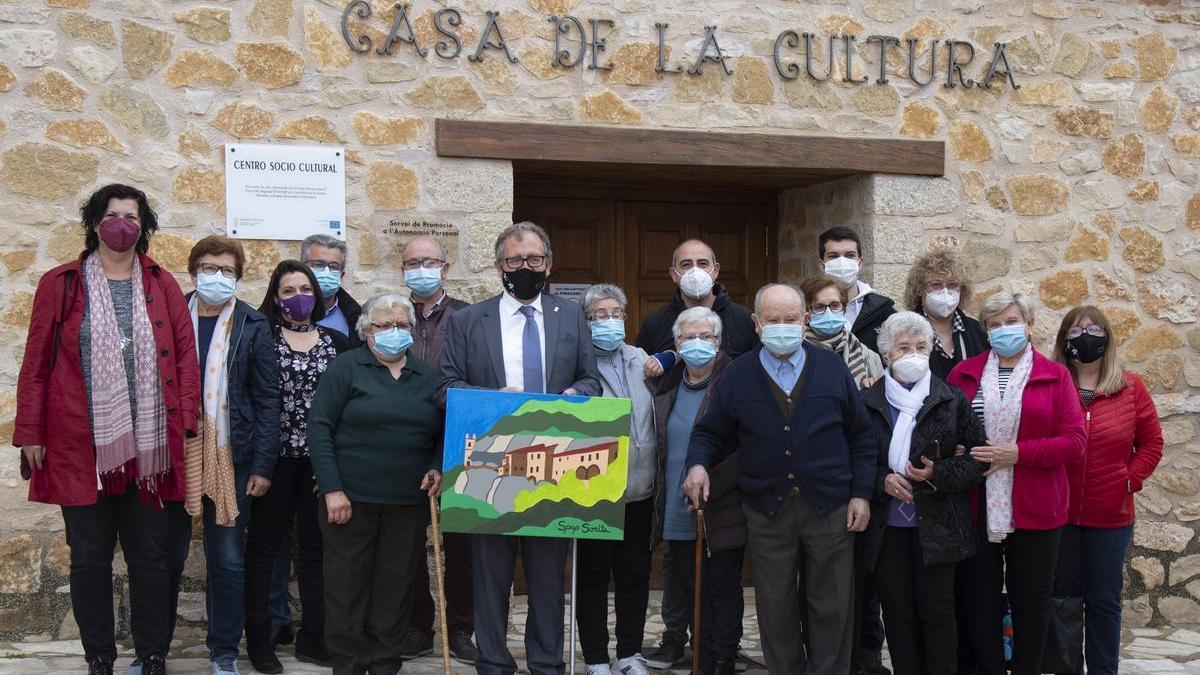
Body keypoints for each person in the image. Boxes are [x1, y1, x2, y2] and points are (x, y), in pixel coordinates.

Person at [15, 184, 199, 675]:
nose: (122, 224)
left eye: (132, 216)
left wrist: (187, 423)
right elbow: (35, 364)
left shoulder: (161, 284)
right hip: (80, 446)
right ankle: (99, 655)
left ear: (144, 226)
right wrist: (30, 430)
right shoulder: (61, 283)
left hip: (151, 451)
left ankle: (153, 653)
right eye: (112, 214)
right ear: (95, 223)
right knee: (89, 558)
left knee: (152, 559)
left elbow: (184, 360)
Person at [684, 283, 876, 675]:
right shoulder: (738, 374)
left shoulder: (832, 368)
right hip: (766, 508)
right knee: (776, 604)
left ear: (804, 321)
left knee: (833, 603)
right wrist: (698, 466)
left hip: (830, 505)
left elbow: (861, 435)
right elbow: (708, 432)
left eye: (791, 319)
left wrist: (861, 494)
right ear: (756, 324)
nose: (783, 327)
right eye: (774, 320)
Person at [438, 221, 601, 675]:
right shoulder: (468, 321)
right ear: (498, 266)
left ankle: (547, 663)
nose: (524, 268)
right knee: (490, 576)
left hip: (553, 464)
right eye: (514, 260)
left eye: (533, 260)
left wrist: (574, 395)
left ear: (548, 265)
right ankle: (493, 662)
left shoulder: (570, 316)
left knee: (548, 578)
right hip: (492, 462)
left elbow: (590, 378)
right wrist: (493, 402)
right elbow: (446, 386)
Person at [946, 291, 1085, 675]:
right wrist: (958, 449)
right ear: (985, 330)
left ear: (1029, 325)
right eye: (994, 324)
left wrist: (1018, 454)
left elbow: (1074, 442)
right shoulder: (964, 373)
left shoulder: (1055, 376)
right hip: (976, 505)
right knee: (979, 599)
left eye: (1012, 322)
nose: (1004, 330)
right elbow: (947, 431)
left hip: (1037, 507)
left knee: (1032, 601)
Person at [307, 292, 445, 675]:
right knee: (346, 589)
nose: (393, 332)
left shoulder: (429, 378)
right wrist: (332, 488)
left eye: (401, 325)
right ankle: (348, 665)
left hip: (407, 503)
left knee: (395, 588)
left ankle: (386, 663)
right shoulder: (346, 368)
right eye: (384, 325)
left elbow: (442, 434)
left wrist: (437, 467)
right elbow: (319, 428)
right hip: (350, 500)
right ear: (367, 331)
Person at [163, 236, 279, 675]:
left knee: (228, 559)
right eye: (209, 268)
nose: (217, 276)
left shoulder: (252, 324)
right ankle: (153, 648)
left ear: (238, 277)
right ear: (193, 271)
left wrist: (263, 465)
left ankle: (224, 651)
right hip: (175, 455)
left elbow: (267, 399)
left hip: (234, 456)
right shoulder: (169, 316)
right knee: (167, 554)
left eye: (227, 270)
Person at [860, 312, 986, 675]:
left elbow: (979, 457)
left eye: (920, 346)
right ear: (886, 355)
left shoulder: (950, 399)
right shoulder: (867, 401)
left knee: (937, 609)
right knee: (897, 610)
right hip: (887, 527)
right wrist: (882, 479)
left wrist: (938, 473)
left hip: (940, 526)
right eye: (903, 347)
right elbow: (854, 459)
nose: (913, 354)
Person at [244, 260, 350, 674]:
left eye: (305, 288)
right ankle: (260, 639)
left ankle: (315, 638)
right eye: (288, 291)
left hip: (319, 463)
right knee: (264, 549)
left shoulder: (338, 343)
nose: (299, 297)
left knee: (315, 549)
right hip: (272, 461)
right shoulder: (260, 340)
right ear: (275, 297)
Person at [1051, 306, 1163, 675]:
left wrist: (1129, 480)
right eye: (1076, 330)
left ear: (1108, 337)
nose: (1086, 336)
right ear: (1064, 340)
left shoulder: (1131, 388)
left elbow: (1152, 443)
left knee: (1103, 601)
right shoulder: (1052, 384)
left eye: (1095, 328)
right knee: (1062, 601)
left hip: (1111, 517)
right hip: (1059, 515)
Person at [644, 307, 745, 675]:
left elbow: (742, 446)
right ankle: (698, 655)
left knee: (721, 588)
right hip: (675, 505)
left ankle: (722, 659)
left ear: (718, 343)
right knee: (688, 587)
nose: (697, 343)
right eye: (689, 337)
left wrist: (713, 484)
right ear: (676, 343)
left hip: (720, 505)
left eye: (706, 337)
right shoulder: (667, 384)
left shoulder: (734, 382)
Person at [397, 235, 478, 665]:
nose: (421, 268)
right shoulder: (391, 315)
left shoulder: (468, 317)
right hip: (407, 441)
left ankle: (462, 629)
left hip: (460, 438)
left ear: (445, 267)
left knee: (461, 542)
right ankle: (417, 626)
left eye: (430, 261)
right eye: (413, 262)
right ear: (402, 268)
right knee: (407, 540)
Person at [575, 284, 656, 675]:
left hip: (639, 490)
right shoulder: (576, 362)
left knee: (634, 575)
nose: (608, 321)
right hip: (594, 491)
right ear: (585, 321)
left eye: (615, 314)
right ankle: (594, 658)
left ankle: (629, 653)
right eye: (598, 315)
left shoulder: (641, 359)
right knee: (591, 577)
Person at [635, 239, 757, 358]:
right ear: (674, 274)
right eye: (686, 265)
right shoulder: (655, 324)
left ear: (716, 271)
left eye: (703, 264)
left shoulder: (745, 321)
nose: (695, 271)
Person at [902, 248, 987, 379]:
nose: (945, 292)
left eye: (953, 285)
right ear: (919, 289)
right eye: (936, 285)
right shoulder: (904, 330)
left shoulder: (977, 331)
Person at [817, 227, 895, 354]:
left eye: (849, 255)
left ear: (860, 263)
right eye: (833, 256)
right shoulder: (808, 309)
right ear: (822, 265)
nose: (842, 262)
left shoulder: (883, 312)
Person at [800, 275, 884, 390]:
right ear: (807, 313)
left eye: (835, 305)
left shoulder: (870, 357)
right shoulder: (796, 352)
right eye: (819, 307)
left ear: (844, 309)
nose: (828, 312)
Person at [302, 234, 362, 348]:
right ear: (302, 268)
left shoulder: (356, 317)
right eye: (318, 265)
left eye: (333, 267)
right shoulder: (283, 312)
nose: (326, 272)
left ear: (342, 275)